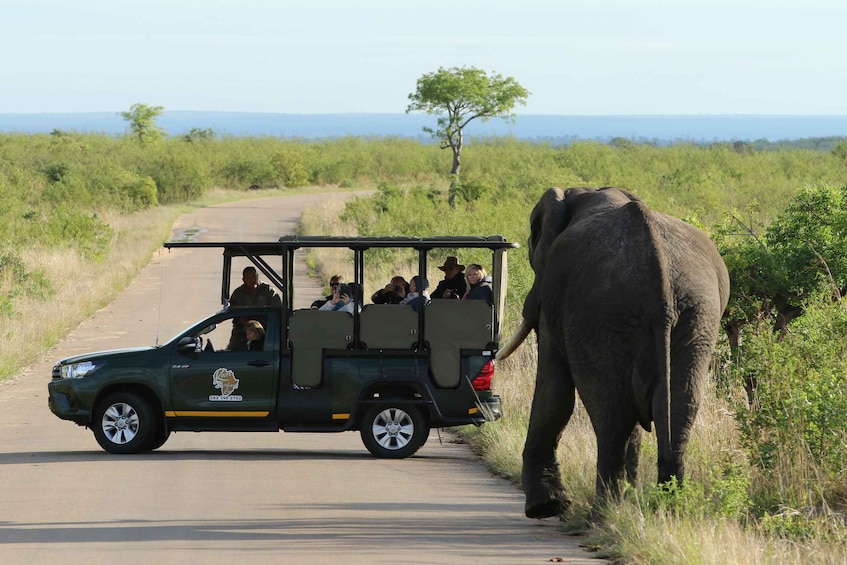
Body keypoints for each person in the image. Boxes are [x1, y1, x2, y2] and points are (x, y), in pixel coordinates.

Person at [227, 266, 281, 350]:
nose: (252, 280)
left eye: (254, 277)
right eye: (248, 278)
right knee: (232, 352)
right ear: (243, 279)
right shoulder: (238, 294)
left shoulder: (269, 292)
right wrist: (252, 327)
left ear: (257, 276)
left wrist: (260, 329)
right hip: (243, 332)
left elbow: (278, 312)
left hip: (267, 331)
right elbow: (237, 316)